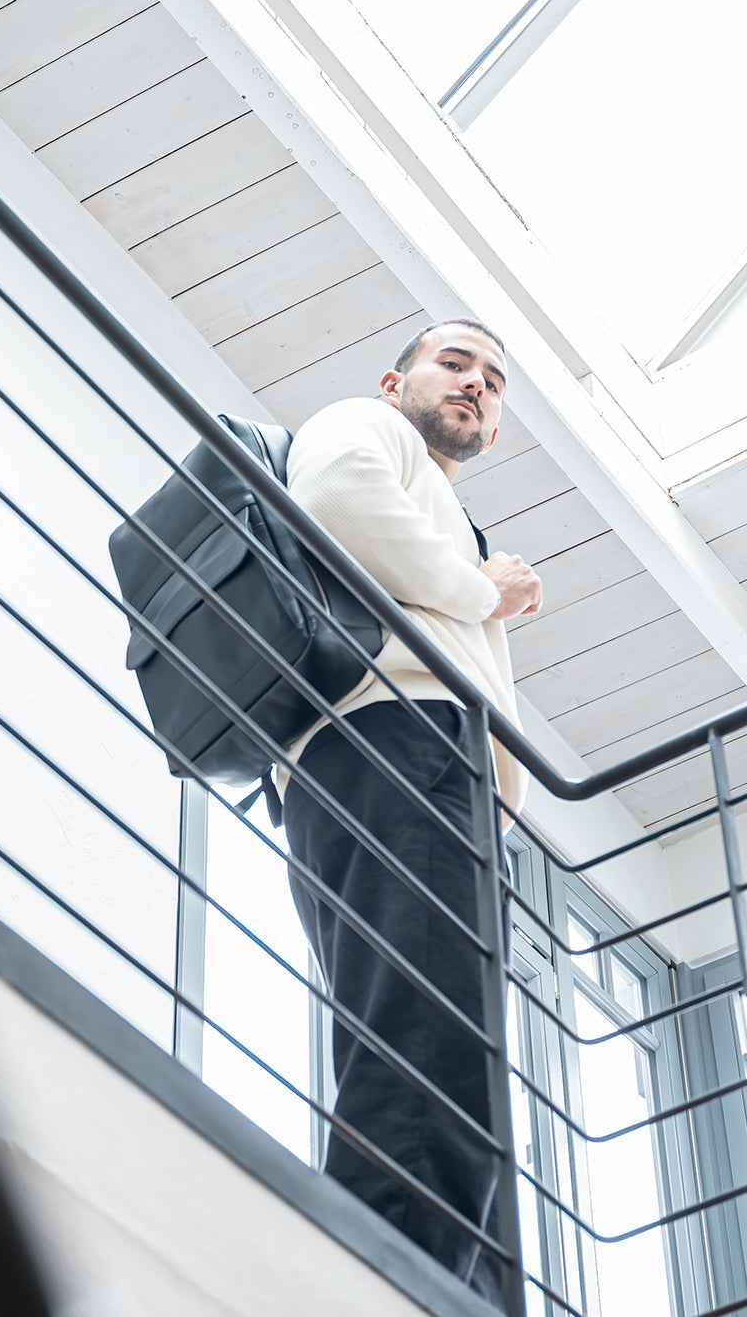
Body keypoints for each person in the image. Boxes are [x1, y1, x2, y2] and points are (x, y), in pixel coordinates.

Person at [281, 318, 540, 1308]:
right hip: (394, 745)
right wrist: (483, 589)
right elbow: (336, 493)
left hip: (427, 766)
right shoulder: (363, 425)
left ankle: (449, 1285)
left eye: (493, 379)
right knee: (426, 1037)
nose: (475, 382)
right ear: (395, 381)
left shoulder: (435, 501)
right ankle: (383, 1280)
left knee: (446, 1046)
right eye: (454, 362)